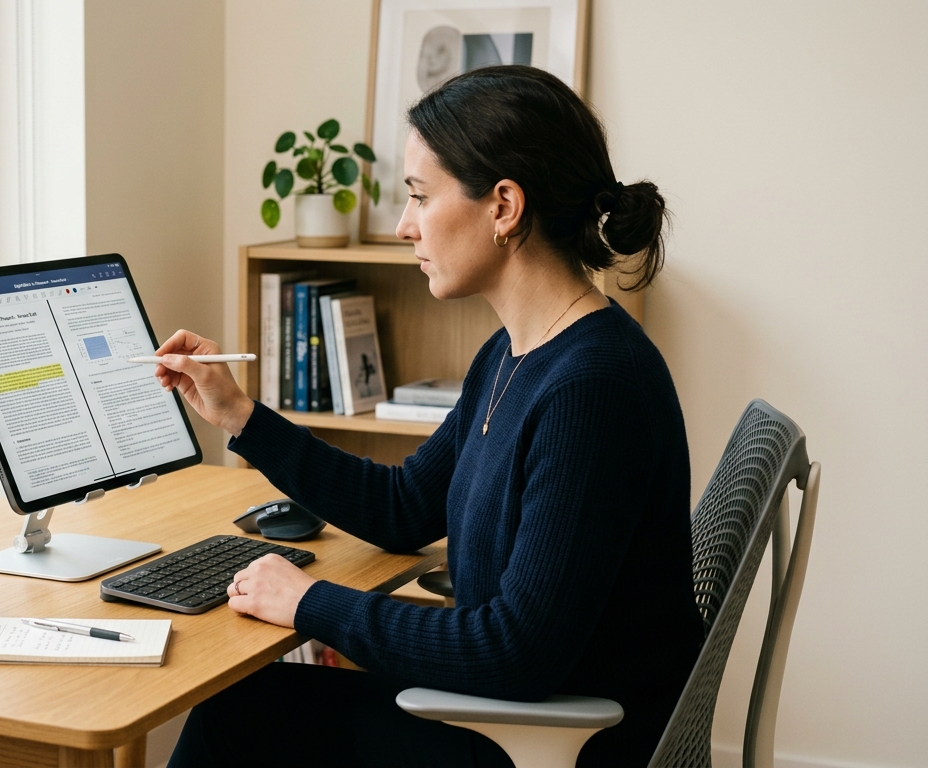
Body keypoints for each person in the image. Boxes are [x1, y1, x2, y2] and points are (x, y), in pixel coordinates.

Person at [161, 65, 703, 768]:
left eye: (419, 195)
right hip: (518, 711)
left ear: (503, 206)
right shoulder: (516, 352)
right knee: (246, 706)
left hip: (552, 739)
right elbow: (407, 506)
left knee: (236, 719)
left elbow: (516, 651)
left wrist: (311, 603)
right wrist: (240, 415)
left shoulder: (591, 390)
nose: (402, 226)